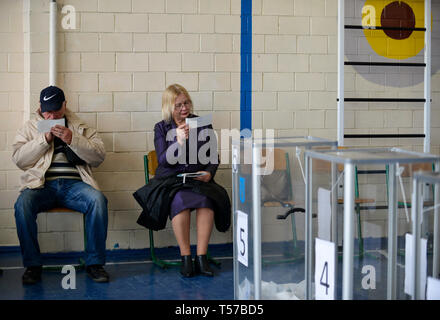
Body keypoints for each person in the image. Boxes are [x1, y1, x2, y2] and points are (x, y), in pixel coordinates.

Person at [12, 86, 109, 284]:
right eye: (47, 111)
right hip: (42, 186)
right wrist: (43, 139)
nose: (52, 115)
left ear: (65, 105)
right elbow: (19, 160)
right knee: (22, 204)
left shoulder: (81, 126)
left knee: (98, 200)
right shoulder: (29, 127)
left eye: (56, 110)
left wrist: (73, 139)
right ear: (39, 107)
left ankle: (94, 264)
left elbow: (99, 157)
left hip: (75, 186)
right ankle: (32, 266)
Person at [133, 84, 231, 278]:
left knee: (207, 201)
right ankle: (186, 257)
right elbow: (163, 160)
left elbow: (213, 157)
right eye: (178, 105)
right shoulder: (161, 128)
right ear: (169, 107)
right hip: (171, 181)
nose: (184, 108)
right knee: (179, 201)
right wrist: (177, 142)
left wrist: (209, 174)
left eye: (186, 103)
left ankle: (201, 257)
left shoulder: (202, 124)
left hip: (198, 180)